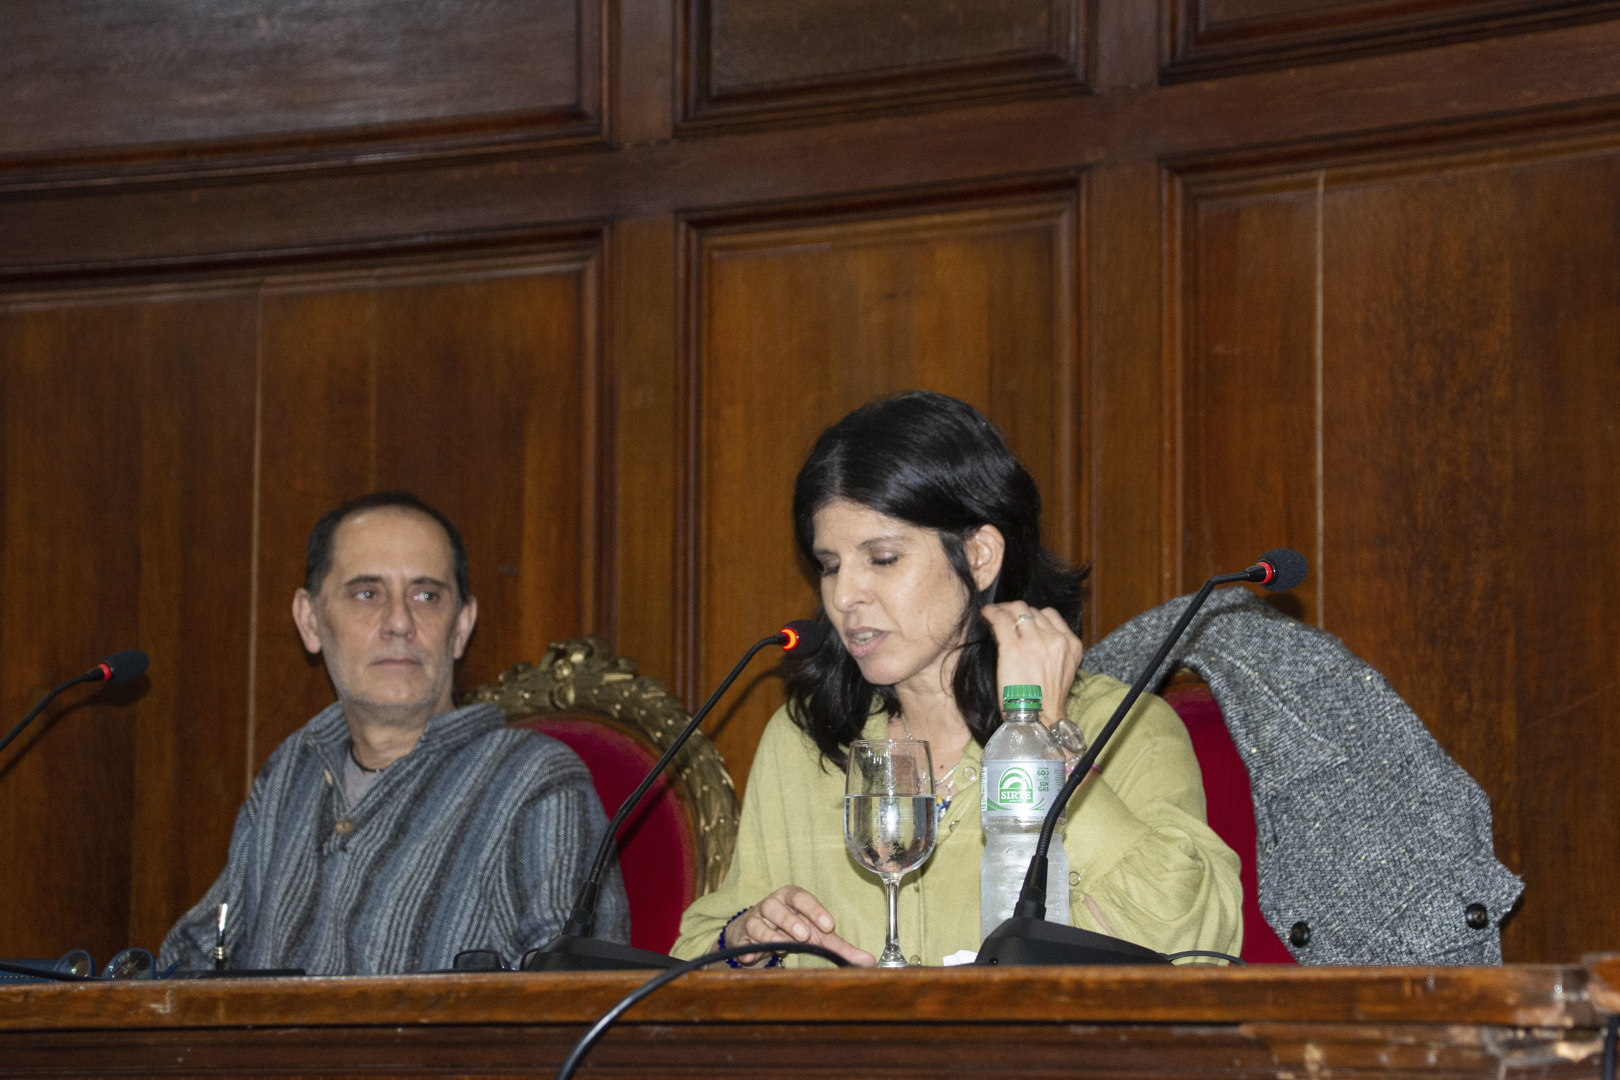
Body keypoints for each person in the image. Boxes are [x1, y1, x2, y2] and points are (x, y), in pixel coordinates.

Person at [672, 392, 1241, 967]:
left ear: (979, 556)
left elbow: (1198, 945)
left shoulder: (1126, 730)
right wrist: (743, 942)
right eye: (830, 566)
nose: (843, 596)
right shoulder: (805, 742)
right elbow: (692, 955)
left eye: (883, 558)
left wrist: (1046, 737)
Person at [160, 491, 628, 974]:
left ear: (461, 626)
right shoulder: (291, 772)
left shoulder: (534, 782)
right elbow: (193, 962)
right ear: (310, 620)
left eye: (426, 596)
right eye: (368, 594)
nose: (400, 622)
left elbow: (579, 996)